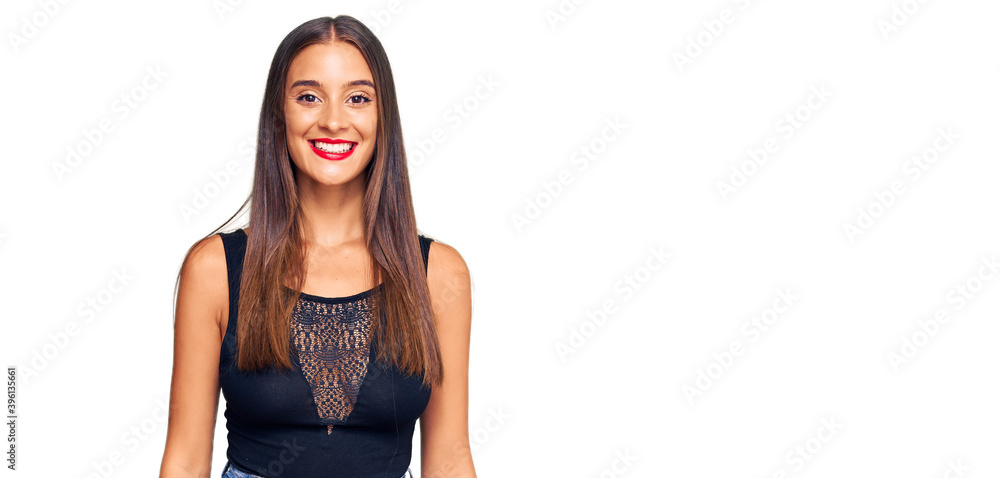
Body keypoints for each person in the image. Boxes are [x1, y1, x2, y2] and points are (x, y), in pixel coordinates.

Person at [158, 15, 476, 478]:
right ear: (279, 114)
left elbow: (450, 459)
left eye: (357, 98)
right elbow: (185, 461)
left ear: (383, 116)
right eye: (309, 96)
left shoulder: (439, 274)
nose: (333, 120)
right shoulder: (213, 269)